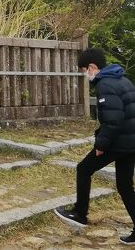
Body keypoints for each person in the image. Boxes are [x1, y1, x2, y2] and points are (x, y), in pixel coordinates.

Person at [54, 48, 135, 245]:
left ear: (92, 67)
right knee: (125, 185)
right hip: (131, 141)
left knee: (83, 169)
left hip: (118, 142)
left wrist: (101, 144)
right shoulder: (122, 79)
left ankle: (80, 214)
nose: (85, 75)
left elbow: (113, 120)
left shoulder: (105, 84)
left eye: (84, 71)